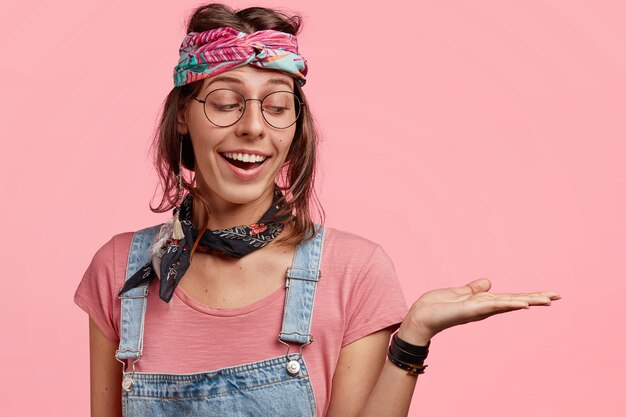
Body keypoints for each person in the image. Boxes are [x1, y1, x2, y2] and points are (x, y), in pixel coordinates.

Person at [74, 3, 560, 417]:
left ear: (294, 127)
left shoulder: (353, 272)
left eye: (277, 107)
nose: (252, 128)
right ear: (182, 115)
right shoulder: (122, 269)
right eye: (225, 102)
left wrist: (412, 339)